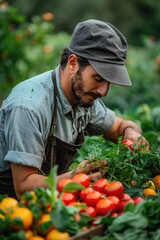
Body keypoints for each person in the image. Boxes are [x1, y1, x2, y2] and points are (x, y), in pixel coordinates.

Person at [0, 19, 149, 200]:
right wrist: (75, 177)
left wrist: (132, 133)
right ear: (73, 63)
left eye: (109, 82)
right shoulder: (30, 107)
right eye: (98, 78)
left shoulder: (83, 97)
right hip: (10, 209)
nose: (104, 91)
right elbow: (23, 187)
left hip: (51, 200)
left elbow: (119, 127)